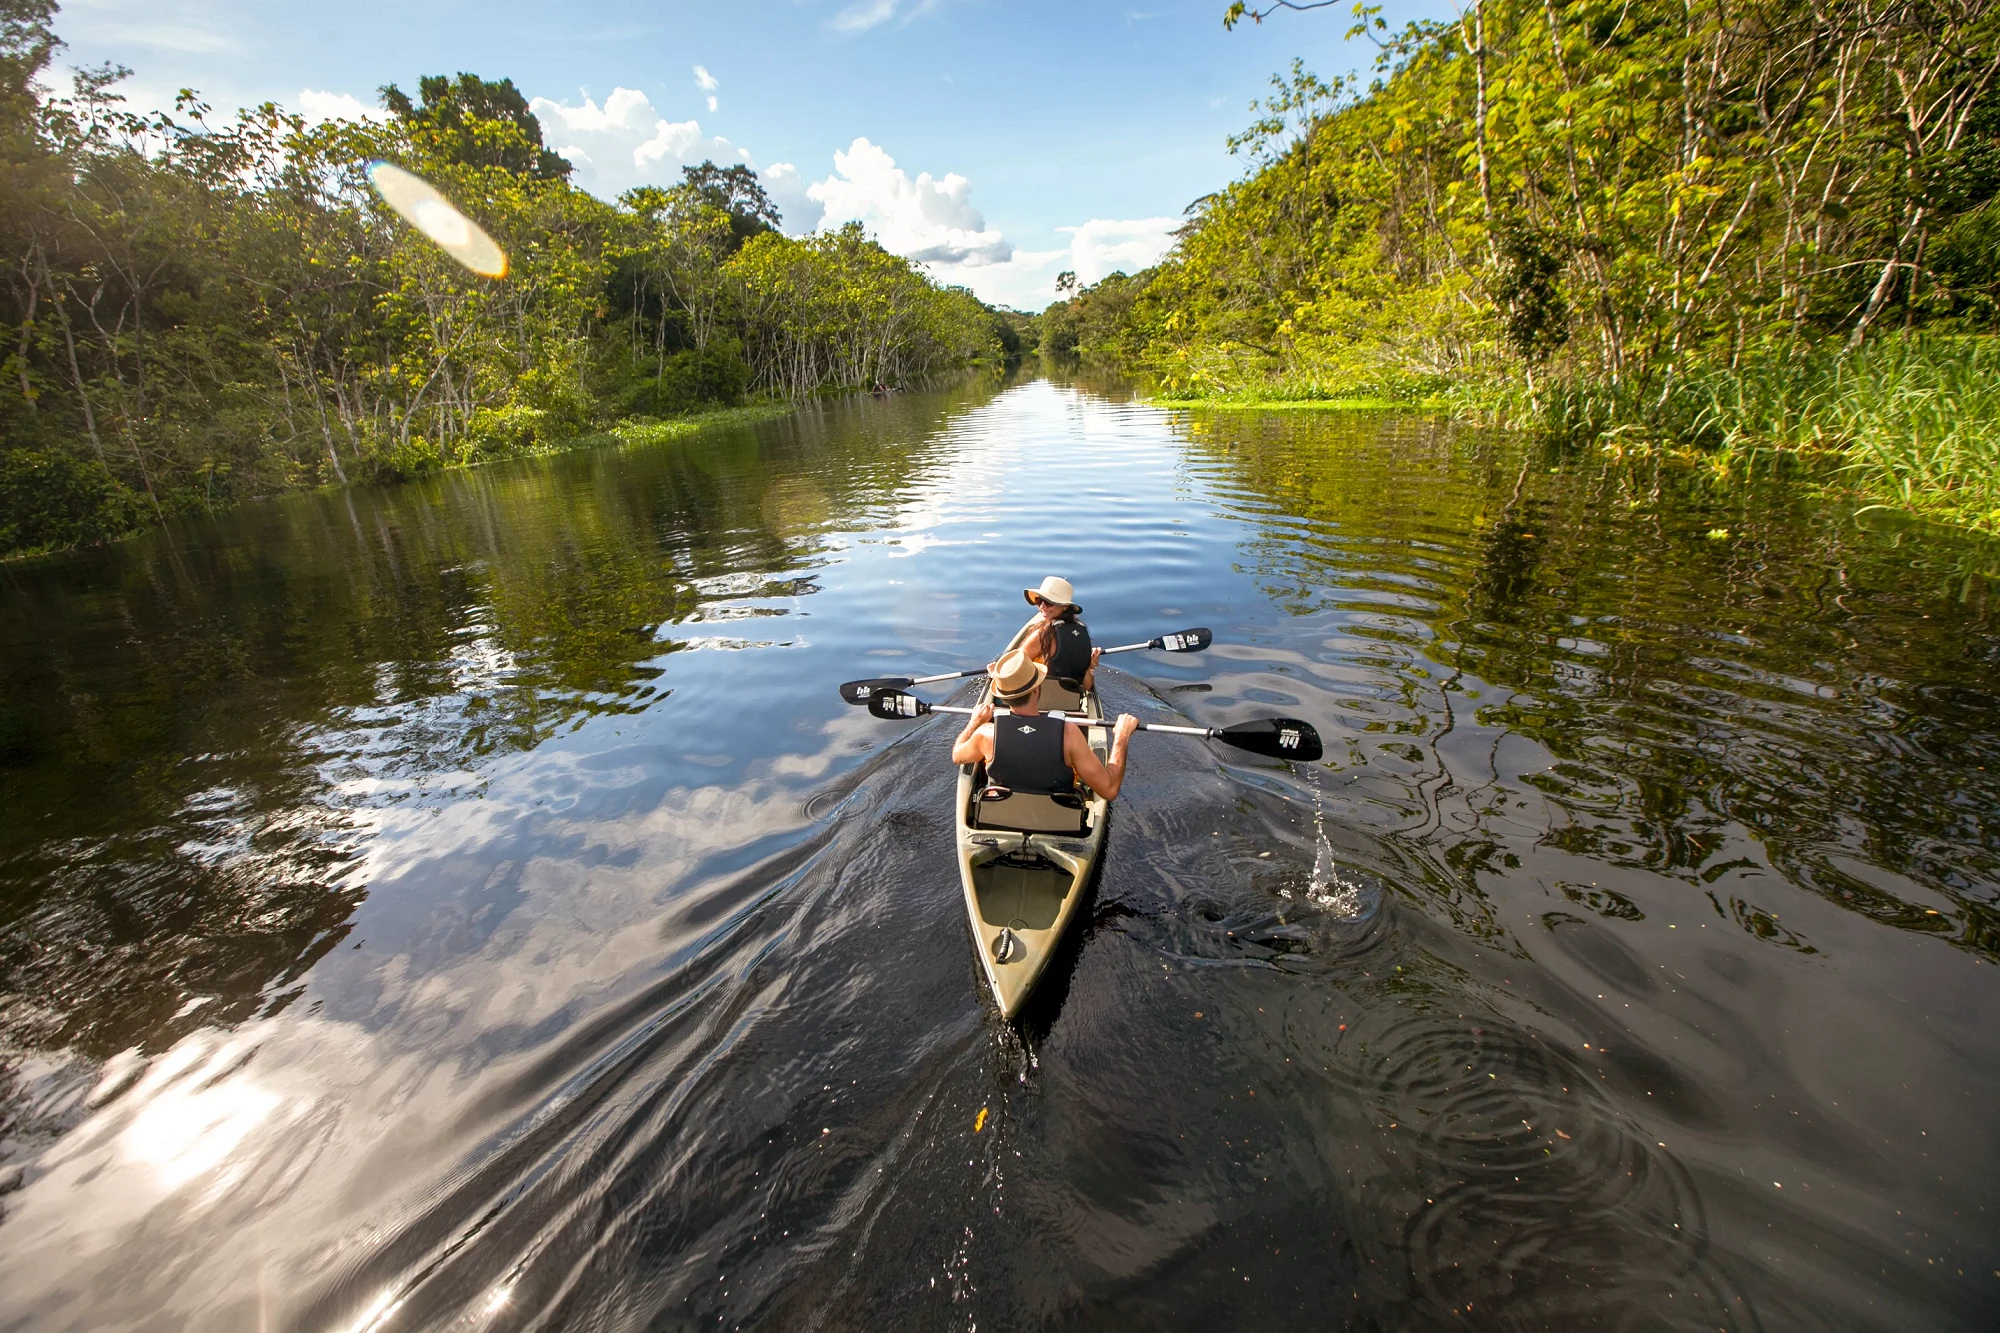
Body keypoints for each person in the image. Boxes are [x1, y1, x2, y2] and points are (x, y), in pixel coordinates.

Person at [951, 648, 1138, 802]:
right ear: (1037, 689)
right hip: (1061, 824)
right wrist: (1122, 736)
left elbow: (957, 755)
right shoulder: (1068, 733)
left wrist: (975, 721)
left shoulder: (985, 734)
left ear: (1002, 697)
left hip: (999, 819)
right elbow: (1110, 790)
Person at [1005, 575, 1101, 699]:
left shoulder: (1043, 634)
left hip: (1038, 698)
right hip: (1071, 701)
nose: (1042, 607)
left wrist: (994, 672)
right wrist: (1091, 666)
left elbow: (1015, 665)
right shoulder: (1081, 631)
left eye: (1049, 603)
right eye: (1039, 601)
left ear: (1064, 606)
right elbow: (1087, 685)